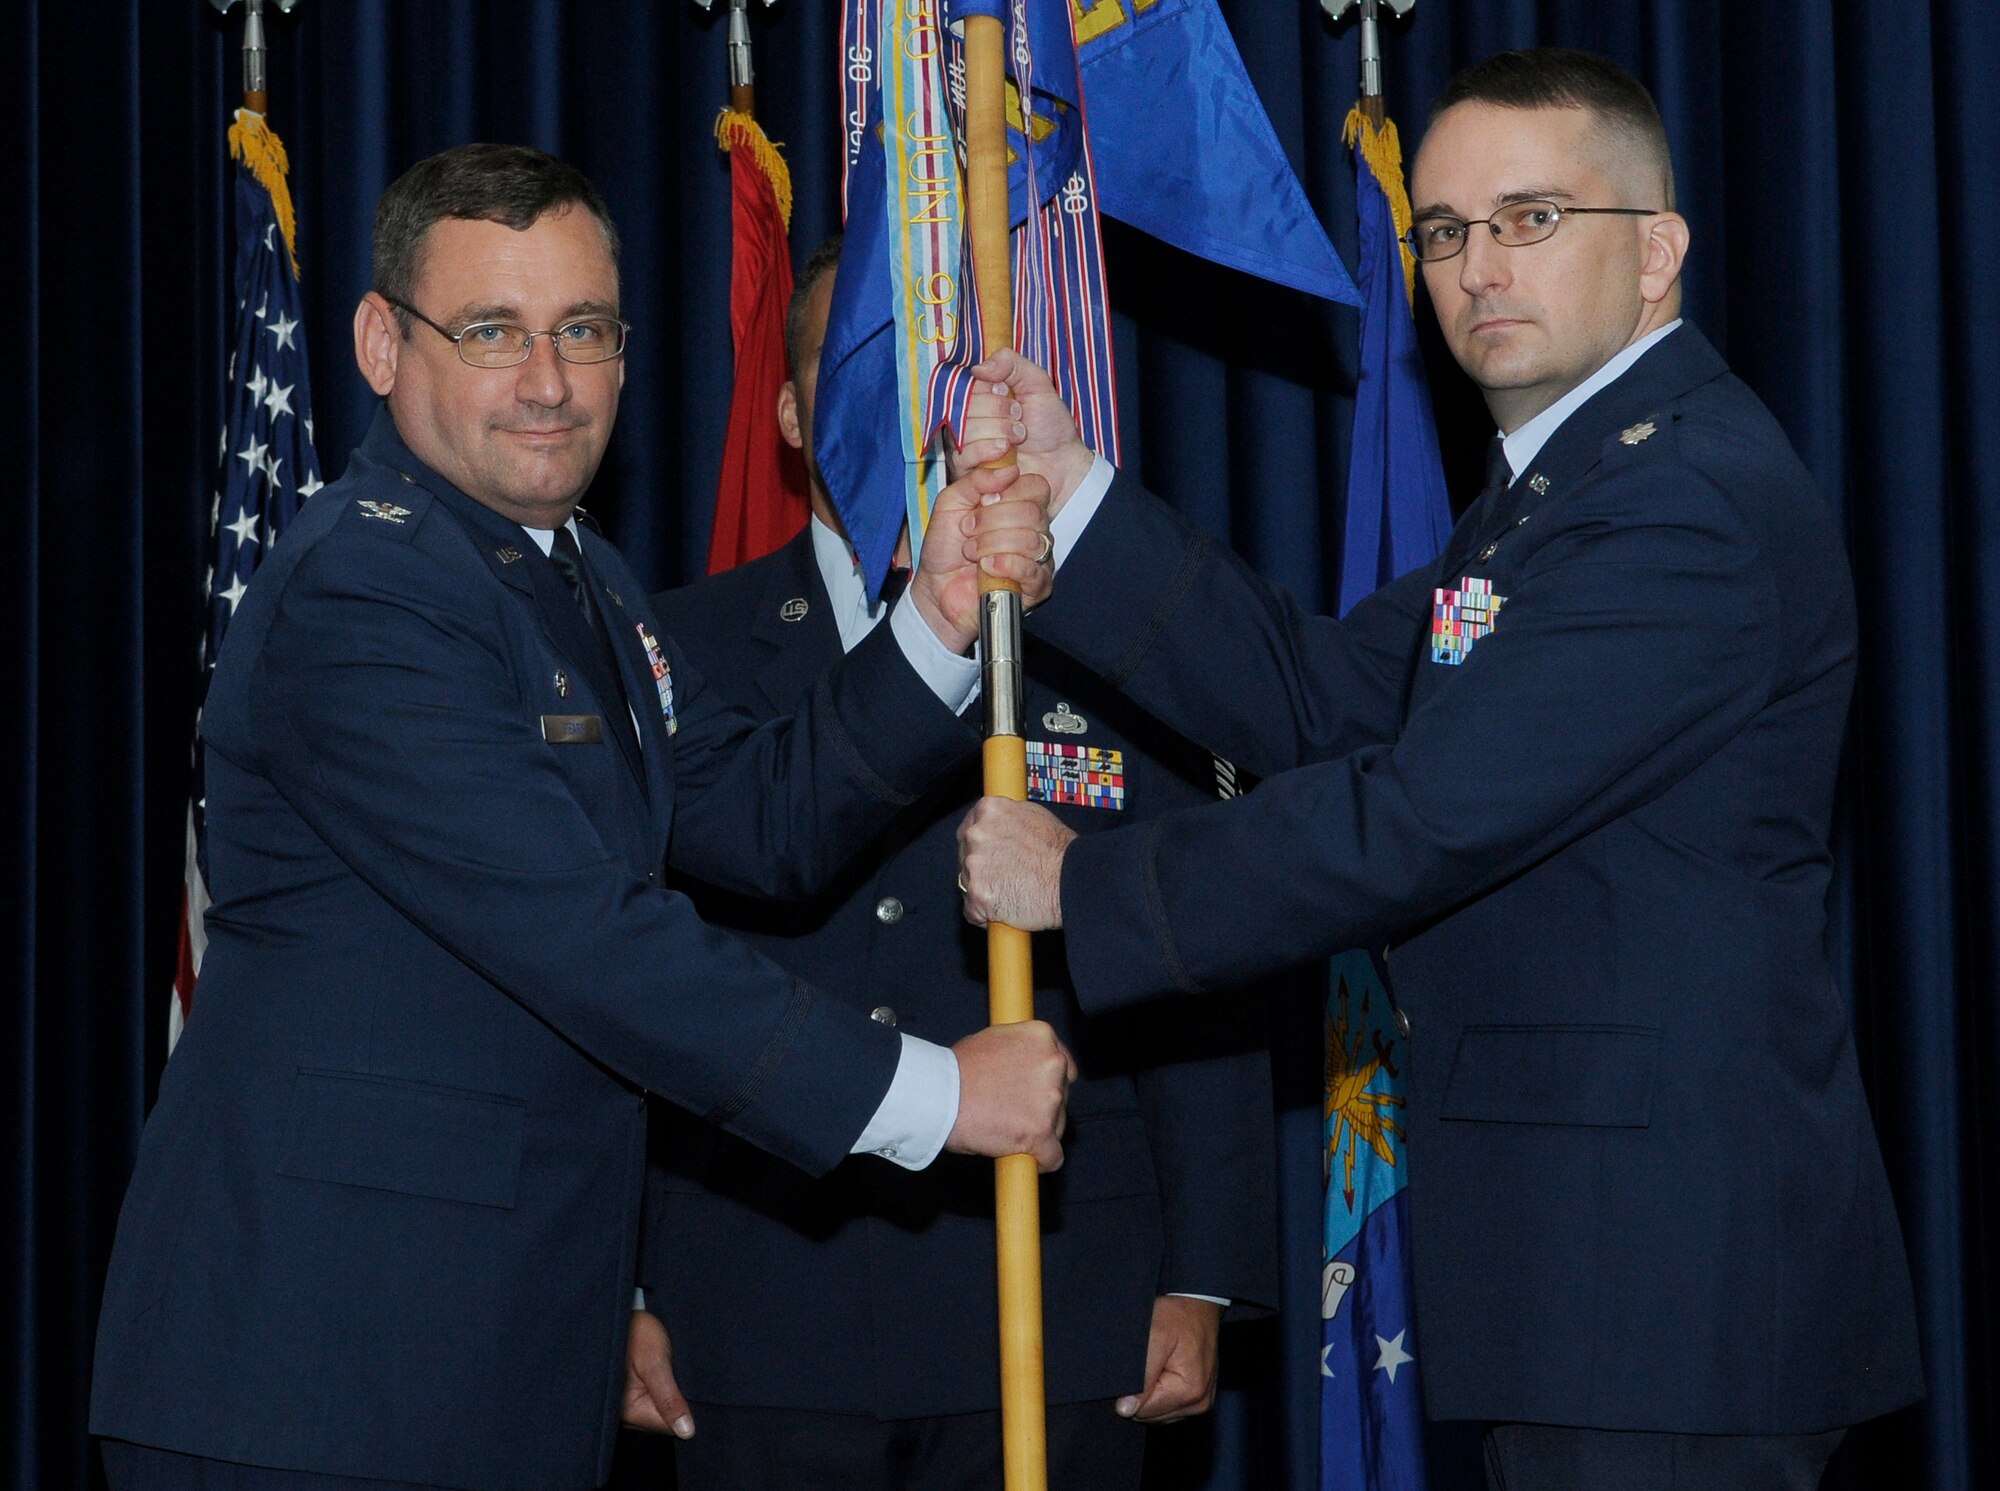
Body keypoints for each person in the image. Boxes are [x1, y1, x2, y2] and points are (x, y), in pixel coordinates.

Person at [956, 49, 1924, 1491]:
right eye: (1448, 230)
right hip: (1598, 1279)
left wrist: (1086, 883)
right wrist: (1077, 487)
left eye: (1534, 219)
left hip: (1670, 1297)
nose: (1479, 267)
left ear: (1657, 252)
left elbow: (1420, 815)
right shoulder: (1562, 490)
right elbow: (1324, 694)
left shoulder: (1680, 503)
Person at [89, 144, 1072, 1491]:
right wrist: (936, 1094)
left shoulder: (576, 574)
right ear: (381, 342)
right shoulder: (365, 589)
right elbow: (588, 937)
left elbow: (763, 811)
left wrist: (944, 616)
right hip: (317, 1384)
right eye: (491, 330)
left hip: (482, 1372)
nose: (547, 382)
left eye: (584, 330)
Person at [617, 236, 1278, 1491]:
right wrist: (624, 1280)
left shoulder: (1114, 639)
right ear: (792, 412)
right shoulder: (673, 647)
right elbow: (619, 969)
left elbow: (1200, 950)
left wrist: (1202, 1266)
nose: (902, 408)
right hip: (754, 1298)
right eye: (858, 371)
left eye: (934, 376)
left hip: (1057, 1288)